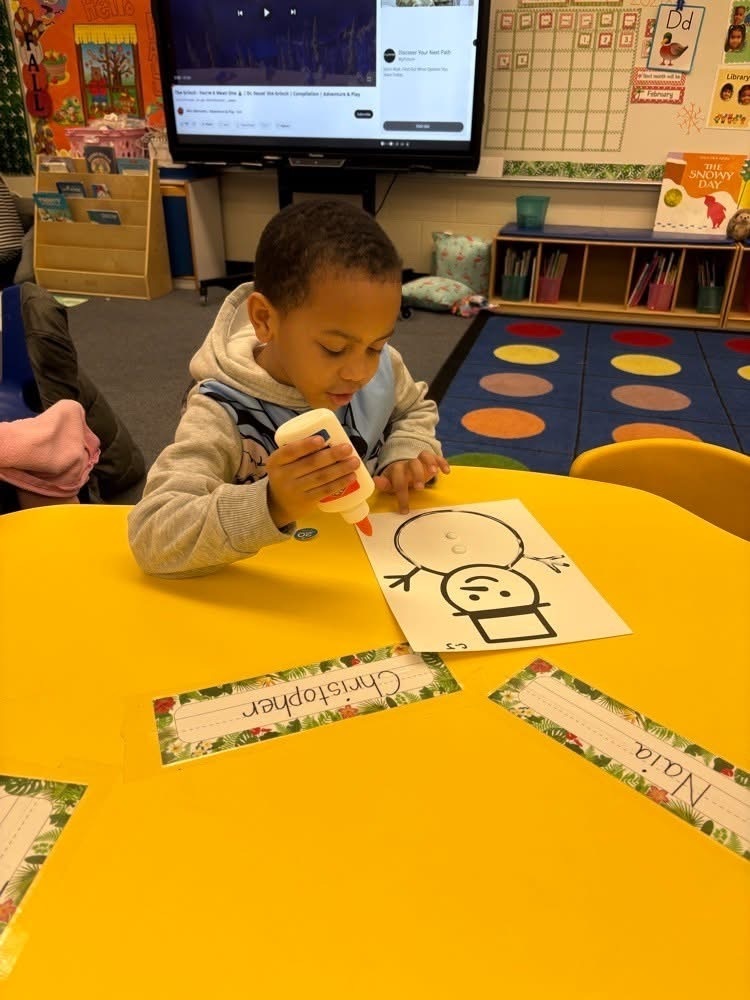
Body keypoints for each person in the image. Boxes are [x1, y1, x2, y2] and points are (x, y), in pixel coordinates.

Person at [128, 199, 451, 578]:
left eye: (376, 345)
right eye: (333, 348)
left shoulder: (383, 367)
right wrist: (272, 503)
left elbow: (413, 409)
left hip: (370, 565)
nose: (359, 371)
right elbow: (152, 536)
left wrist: (406, 450)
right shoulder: (222, 411)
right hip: (276, 591)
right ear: (265, 320)